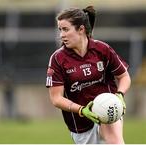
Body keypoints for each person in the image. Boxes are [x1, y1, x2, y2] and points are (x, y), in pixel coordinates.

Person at [46, 6, 131, 144]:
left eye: (66, 29)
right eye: (60, 30)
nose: (61, 35)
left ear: (81, 29)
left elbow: (124, 76)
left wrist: (120, 94)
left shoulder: (102, 49)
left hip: (109, 109)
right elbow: (56, 98)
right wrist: (82, 110)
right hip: (80, 125)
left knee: (115, 142)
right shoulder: (57, 59)